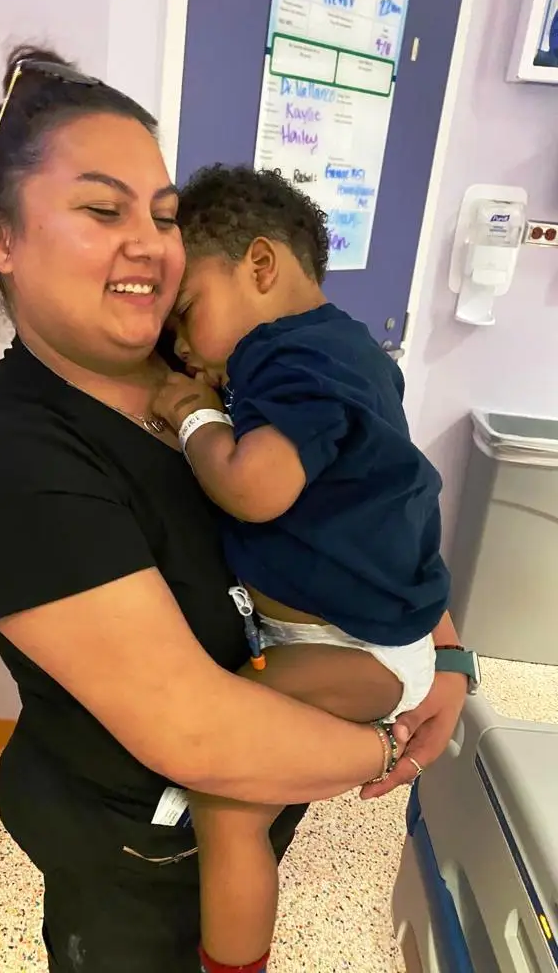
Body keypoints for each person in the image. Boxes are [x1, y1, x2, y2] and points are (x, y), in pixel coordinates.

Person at [0, 44, 469, 973]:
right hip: (140, 866)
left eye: (163, 214)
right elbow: (197, 731)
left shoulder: (209, 368)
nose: (150, 243)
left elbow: (372, 495)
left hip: (265, 791)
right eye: (103, 210)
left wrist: (444, 648)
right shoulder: (13, 465)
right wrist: (391, 746)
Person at [151, 164, 451, 973]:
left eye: (188, 313)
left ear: (259, 265)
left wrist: (194, 416)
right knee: (230, 781)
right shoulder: (341, 351)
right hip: (353, 636)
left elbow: (256, 489)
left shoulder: (293, 357)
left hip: (359, 650)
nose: (183, 348)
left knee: (224, 796)